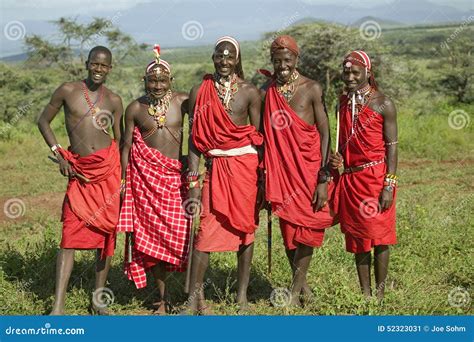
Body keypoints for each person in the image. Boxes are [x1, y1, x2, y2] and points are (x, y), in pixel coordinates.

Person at [37, 46, 123, 315]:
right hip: (79, 172)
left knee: (106, 236)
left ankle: (98, 299)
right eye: (94, 64)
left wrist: (122, 175)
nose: (99, 69)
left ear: (110, 68)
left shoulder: (114, 100)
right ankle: (58, 306)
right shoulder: (68, 90)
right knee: (69, 236)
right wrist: (59, 154)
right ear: (87, 64)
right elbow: (43, 121)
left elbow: (121, 140)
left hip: (107, 172)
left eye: (104, 65)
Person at [183, 36, 263, 314]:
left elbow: (260, 137)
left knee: (245, 230)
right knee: (204, 231)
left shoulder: (251, 92)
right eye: (220, 55)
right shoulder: (199, 91)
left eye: (230, 56)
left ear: (237, 59)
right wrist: (193, 180)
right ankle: (194, 296)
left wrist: (263, 180)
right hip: (215, 168)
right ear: (213, 57)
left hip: (245, 170)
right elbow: (194, 140)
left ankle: (241, 296)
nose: (225, 61)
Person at [261, 35, 338, 306]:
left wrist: (323, 175)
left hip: (309, 170)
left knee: (308, 227)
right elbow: (262, 135)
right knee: (289, 231)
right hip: (281, 172)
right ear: (272, 61)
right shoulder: (266, 91)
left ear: (296, 59)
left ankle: (294, 292)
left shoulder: (312, 88)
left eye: (288, 59)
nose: (282, 65)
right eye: (277, 60)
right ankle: (303, 289)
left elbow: (325, 131)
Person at [117, 45, 191, 314]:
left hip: (175, 180)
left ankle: (191, 294)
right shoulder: (135, 108)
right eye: (152, 80)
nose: (157, 85)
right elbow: (125, 146)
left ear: (171, 81)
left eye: (162, 80)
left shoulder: (183, 101)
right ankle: (162, 297)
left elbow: (205, 122)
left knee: (182, 236)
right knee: (153, 241)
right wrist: (123, 183)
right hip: (145, 184)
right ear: (144, 81)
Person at [329, 50, 398, 300]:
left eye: (355, 72)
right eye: (346, 72)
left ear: (368, 73)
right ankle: (365, 294)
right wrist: (336, 158)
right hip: (351, 179)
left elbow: (392, 146)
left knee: (379, 237)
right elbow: (341, 145)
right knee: (358, 238)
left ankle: (379, 294)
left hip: (376, 178)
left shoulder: (383, 103)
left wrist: (389, 185)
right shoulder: (342, 103)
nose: (349, 77)